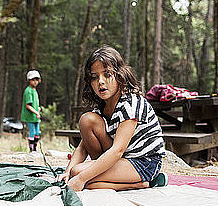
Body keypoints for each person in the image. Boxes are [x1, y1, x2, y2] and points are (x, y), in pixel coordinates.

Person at [57, 45, 168, 191]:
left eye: (107, 75)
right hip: (121, 159)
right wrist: (67, 172)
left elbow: (117, 150)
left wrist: (81, 177)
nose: (100, 82)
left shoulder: (130, 103)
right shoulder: (102, 106)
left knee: (80, 175)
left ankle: (139, 183)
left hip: (144, 162)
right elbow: (83, 146)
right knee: (87, 120)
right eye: (94, 77)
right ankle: (104, 177)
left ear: (120, 75)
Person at [21, 70, 42, 152]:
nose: (35, 82)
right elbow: (28, 105)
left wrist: (38, 108)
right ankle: (32, 149)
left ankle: (35, 148)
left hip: (35, 117)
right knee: (32, 132)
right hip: (30, 116)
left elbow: (34, 104)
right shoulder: (28, 91)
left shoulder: (34, 90)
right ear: (29, 80)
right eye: (33, 80)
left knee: (37, 133)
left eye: (37, 80)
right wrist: (36, 112)